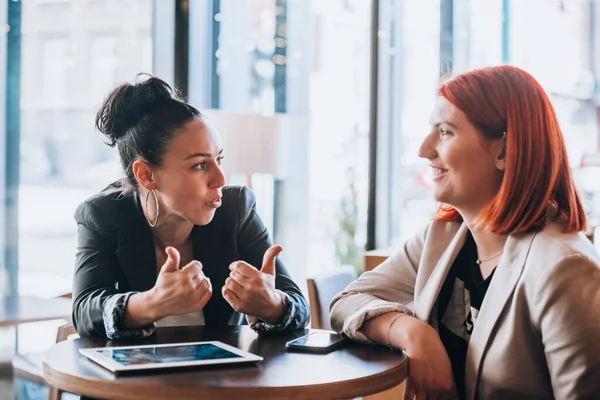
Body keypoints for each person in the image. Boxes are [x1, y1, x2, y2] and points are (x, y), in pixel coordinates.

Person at [330, 66, 600, 400]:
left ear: (503, 150)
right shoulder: (445, 236)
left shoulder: (564, 267)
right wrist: (412, 332)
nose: (423, 150)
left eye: (445, 133)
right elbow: (345, 304)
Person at [72, 75, 309, 339]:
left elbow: (299, 305)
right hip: (135, 377)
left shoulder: (236, 209)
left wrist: (272, 305)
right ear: (147, 175)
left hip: (220, 377)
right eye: (200, 165)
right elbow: (84, 310)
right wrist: (152, 303)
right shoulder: (103, 215)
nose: (221, 179)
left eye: (219, 159)